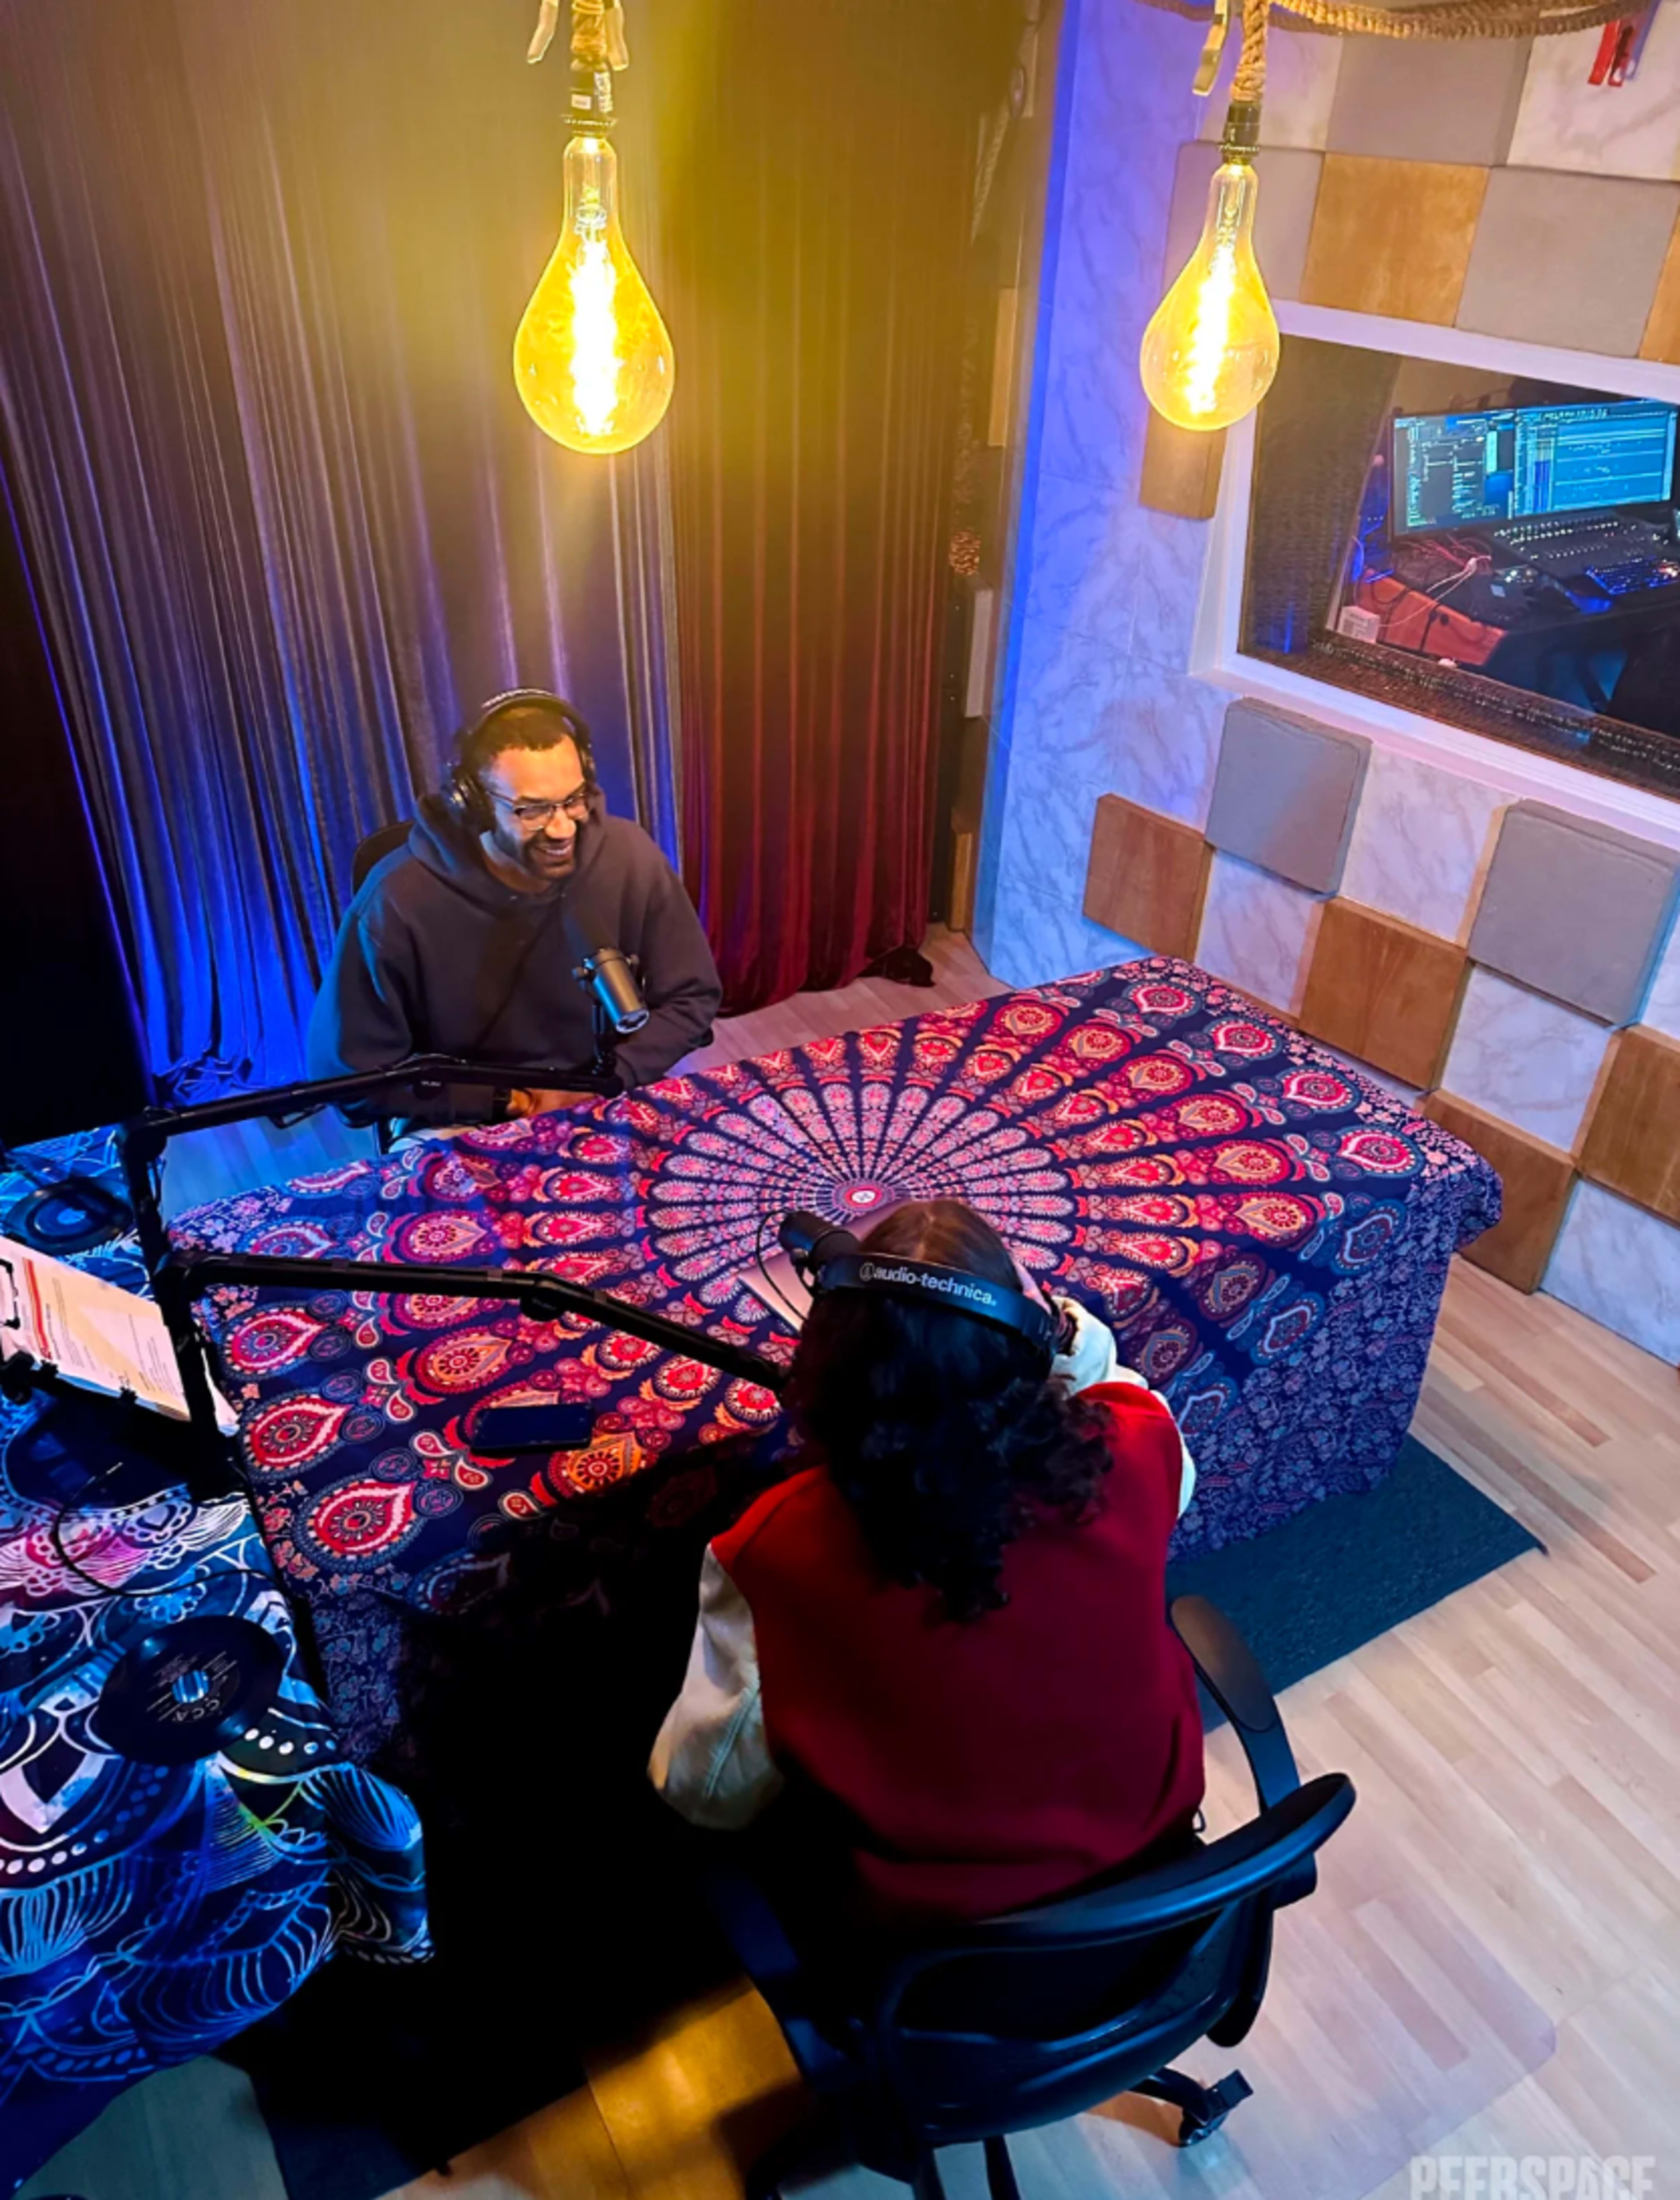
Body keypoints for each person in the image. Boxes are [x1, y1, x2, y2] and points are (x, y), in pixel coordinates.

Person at [649, 1198, 1204, 1931]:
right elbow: (1150, 1438)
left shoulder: (775, 1550)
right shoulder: (1136, 1446)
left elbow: (704, 1792)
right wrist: (1059, 1327)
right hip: (1165, 1889)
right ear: (1030, 1340)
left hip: (946, 1958)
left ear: (824, 1368)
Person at [308, 690, 721, 1127]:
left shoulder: (629, 856)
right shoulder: (395, 902)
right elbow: (352, 1079)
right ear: (476, 803)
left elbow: (692, 997)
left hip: (607, 1084)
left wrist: (613, 1077)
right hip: (468, 1109)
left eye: (574, 800)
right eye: (532, 810)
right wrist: (502, 1101)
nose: (563, 828)